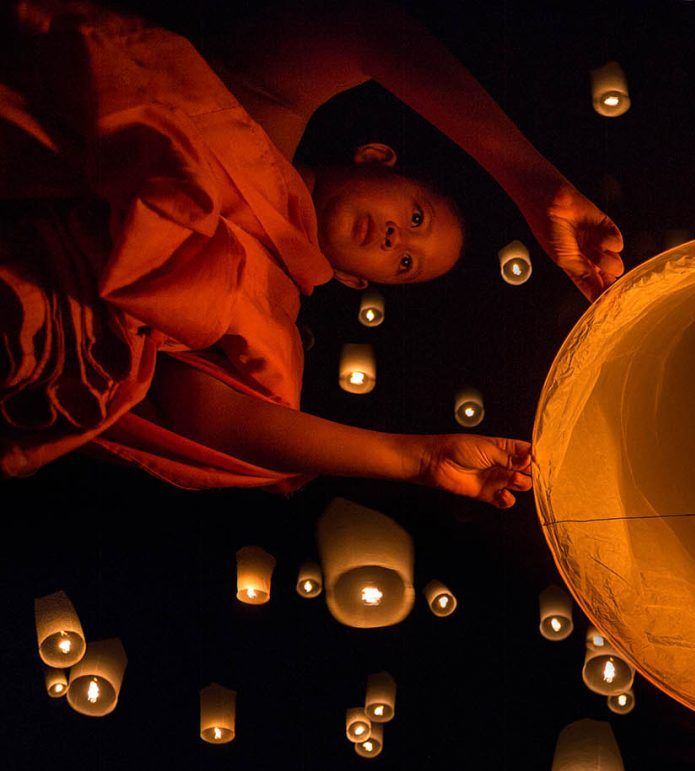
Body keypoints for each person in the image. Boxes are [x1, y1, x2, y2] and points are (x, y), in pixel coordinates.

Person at [1, 0, 624, 504]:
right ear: (375, 159)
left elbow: (211, 422)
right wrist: (535, 184)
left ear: (354, 281)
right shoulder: (263, 112)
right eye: (415, 216)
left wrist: (423, 458)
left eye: (405, 264)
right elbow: (366, 31)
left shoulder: (268, 319)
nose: (398, 239)